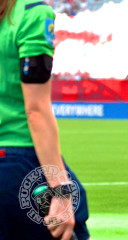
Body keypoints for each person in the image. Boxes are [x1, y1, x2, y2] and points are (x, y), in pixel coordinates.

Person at [0, 1, 90, 240]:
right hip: (17, 159)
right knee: (72, 225)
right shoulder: (32, 13)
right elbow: (36, 111)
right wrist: (60, 191)